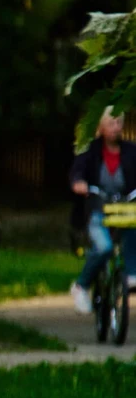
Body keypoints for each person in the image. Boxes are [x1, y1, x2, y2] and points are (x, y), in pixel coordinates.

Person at [69, 108, 136, 313]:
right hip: (98, 209)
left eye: (119, 123)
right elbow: (77, 173)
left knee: (133, 231)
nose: (116, 128)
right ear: (101, 127)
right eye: (111, 123)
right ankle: (81, 285)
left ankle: (132, 274)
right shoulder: (90, 151)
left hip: (125, 210)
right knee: (104, 248)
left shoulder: (131, 151)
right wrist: (79, 183)